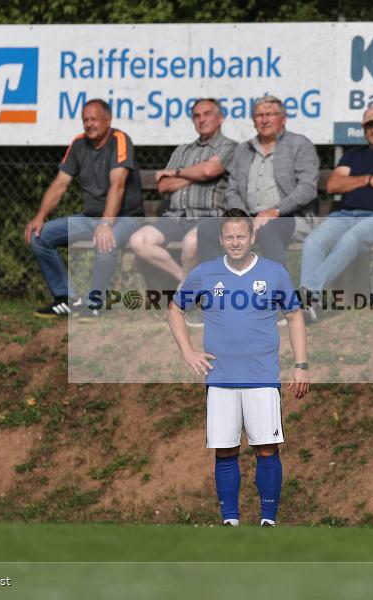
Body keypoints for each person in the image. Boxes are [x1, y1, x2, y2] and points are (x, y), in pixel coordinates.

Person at [168, 208, 309, 527]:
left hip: (262, 377)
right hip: (220, 378)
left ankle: (268, 521)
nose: (235, 242)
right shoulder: (205, 273)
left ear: (252, 237)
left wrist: (301, 365)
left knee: (267, 449)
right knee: (225, 451)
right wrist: (188, 351)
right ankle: (229, 521)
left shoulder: (274, 273)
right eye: (229, 237)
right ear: (221, 240)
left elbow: (294, 316)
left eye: (240, 236)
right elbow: (175, 310)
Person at [299, 105, 373, 320]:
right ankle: (308, 307)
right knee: (313, 242)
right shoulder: (353, 155)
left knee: (351, 238)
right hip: (344, 216)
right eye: (368, 125)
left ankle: (308, 295)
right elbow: (333, 185)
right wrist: (370, 180)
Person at [24, 99, 143, 319]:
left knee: (106, 242)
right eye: (85, 120)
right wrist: (40, 216)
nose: (89, 124)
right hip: (91, 218)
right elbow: (60, 185)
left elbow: (118, 185)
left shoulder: (120, 140)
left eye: (94, 119)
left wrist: (106, 224)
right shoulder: (78, 144)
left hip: (124, 217)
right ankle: (67, 299)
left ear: (108, 120)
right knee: (38, 237)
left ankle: (93, 304)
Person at [197, 95, 319, 267]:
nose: (264, 120)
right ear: (253, 121)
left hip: (288, 217)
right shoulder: (243, 150)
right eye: (259, 115)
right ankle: (217, 282)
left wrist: (274, 211)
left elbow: (307, 188)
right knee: (206, 230)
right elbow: (232, 190)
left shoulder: (299, 144)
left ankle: (275, 284)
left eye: (270, 115)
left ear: (283, 119)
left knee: (266, 230)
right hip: (248, 218)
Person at [129, 98, 236, 283]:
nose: (201, 119)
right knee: (139, 241)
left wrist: (176, 172)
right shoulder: (183, 150)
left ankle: (184, 292)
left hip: (209, 217)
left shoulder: (229, 147)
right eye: (197, 116)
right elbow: (163, 186)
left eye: (207, 114)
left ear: (220, 118)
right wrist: (198, 173)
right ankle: (185, 281)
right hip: (175, 217)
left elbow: (210, 171)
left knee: (191, 243)